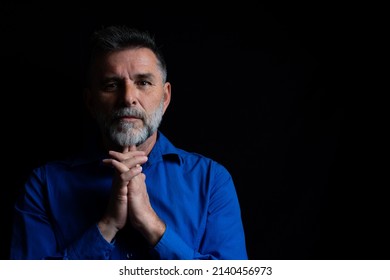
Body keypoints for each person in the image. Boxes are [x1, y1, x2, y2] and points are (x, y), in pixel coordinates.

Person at [10, 25, 248, 260]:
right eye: (111, 85)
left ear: (165, 97)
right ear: (91, 101)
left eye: (143, 82)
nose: (127, 98)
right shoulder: (43, 186)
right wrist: (107, 225)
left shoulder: (211, 180)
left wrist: (152, 225)